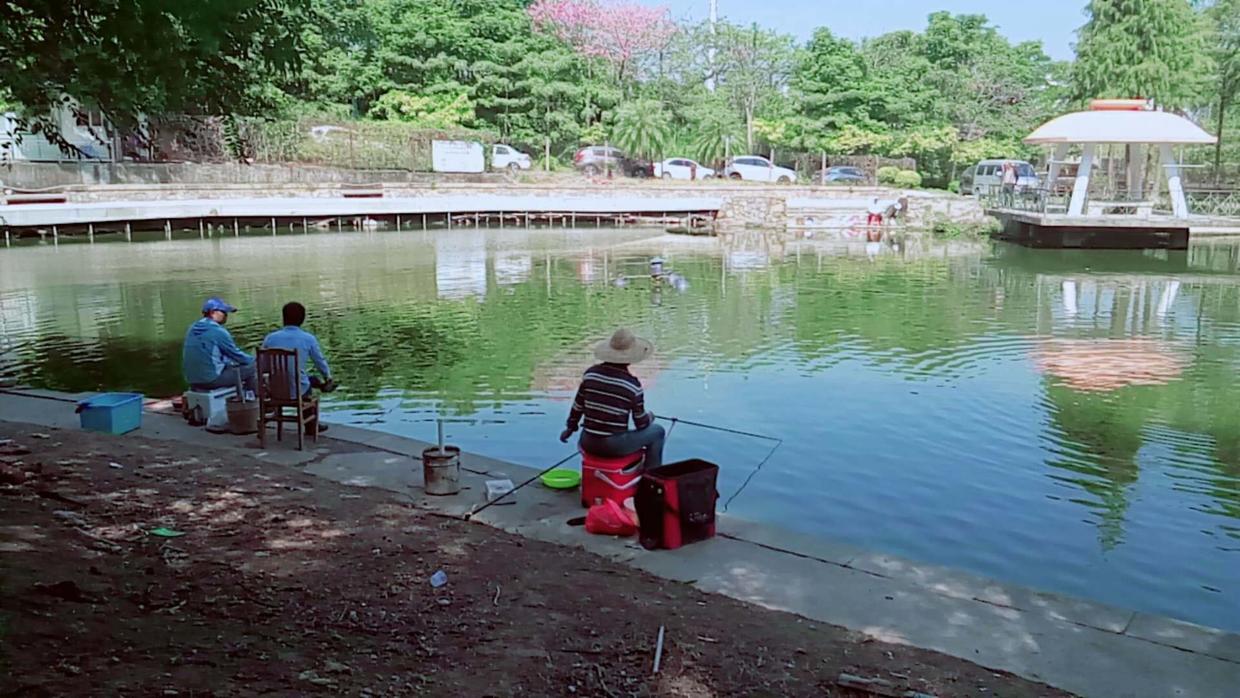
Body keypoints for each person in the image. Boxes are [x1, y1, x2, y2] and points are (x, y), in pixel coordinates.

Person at [560, 328, 665, 471]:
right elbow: (641, 423)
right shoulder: (632, 385)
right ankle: (652, 481)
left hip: (587, 441)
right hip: (613, 446)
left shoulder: (590, 374)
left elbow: (577, 406)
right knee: (658, 432)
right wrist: (651, 417)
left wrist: (570, 428)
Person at [183, 297, 256, 395]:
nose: (226, 315)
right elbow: (237, 356)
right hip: (211, 379)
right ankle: (252, 400)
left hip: (192, 380)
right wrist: (254, 360)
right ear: (213, 312)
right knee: (253, 368)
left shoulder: (191, 329)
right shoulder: (218, 331)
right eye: (223, 312)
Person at [261, 302, 336, 397]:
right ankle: (308, 410)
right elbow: (319, 361)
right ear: (302, 320)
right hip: (298, 390)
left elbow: (261, 366)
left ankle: (276, 411)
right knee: (308, 381)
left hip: (274, 390)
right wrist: (328, 377)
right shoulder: (308, 339)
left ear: (283, 318)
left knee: (310, 380)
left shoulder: (270, 338)